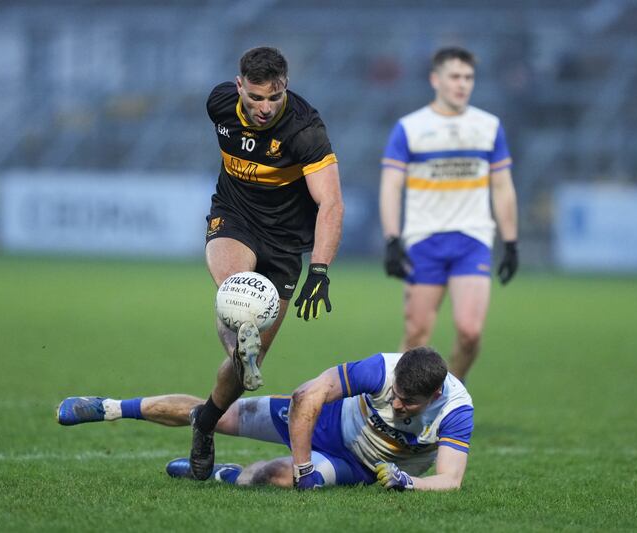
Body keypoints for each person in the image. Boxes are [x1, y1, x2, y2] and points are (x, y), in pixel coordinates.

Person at [192, 46, 344, 480]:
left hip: (283, 243)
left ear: (286, 87)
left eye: (273, 98)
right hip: (234, 217)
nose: (264, 108)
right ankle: (243, 336)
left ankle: (204, 424)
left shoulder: (305, 130)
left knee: (242, 374)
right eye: (255, 97)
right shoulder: (218, 103)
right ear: (239, 86)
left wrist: (319, 268)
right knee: (236, 292)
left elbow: (331, 202)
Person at [56, 346, 473, 491]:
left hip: (357, 466)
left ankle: (224, 475)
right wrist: (305, 467)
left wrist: (408, 482)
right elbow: (308, 395)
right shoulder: (382, 368)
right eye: (395, 396)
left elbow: (450, 481)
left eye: (409, 404)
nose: (398, 406)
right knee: (215, 414)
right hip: (325, 421)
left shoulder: (455, 411)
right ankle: (110, 407)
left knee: (273, 475)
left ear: (434, 394)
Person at [379, 46, 519, 382]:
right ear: (435, 79)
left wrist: (511, 242)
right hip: (424, 240)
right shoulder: (410, 128)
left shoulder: (488, 126)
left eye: (469, 77)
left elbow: (502, 186)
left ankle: (448, 396)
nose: (462, 84)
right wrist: (392, 239)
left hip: (472, 239)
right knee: (416, 335)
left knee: (470, 332)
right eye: (455, 76)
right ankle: (399, 405)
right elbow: (390, 185)